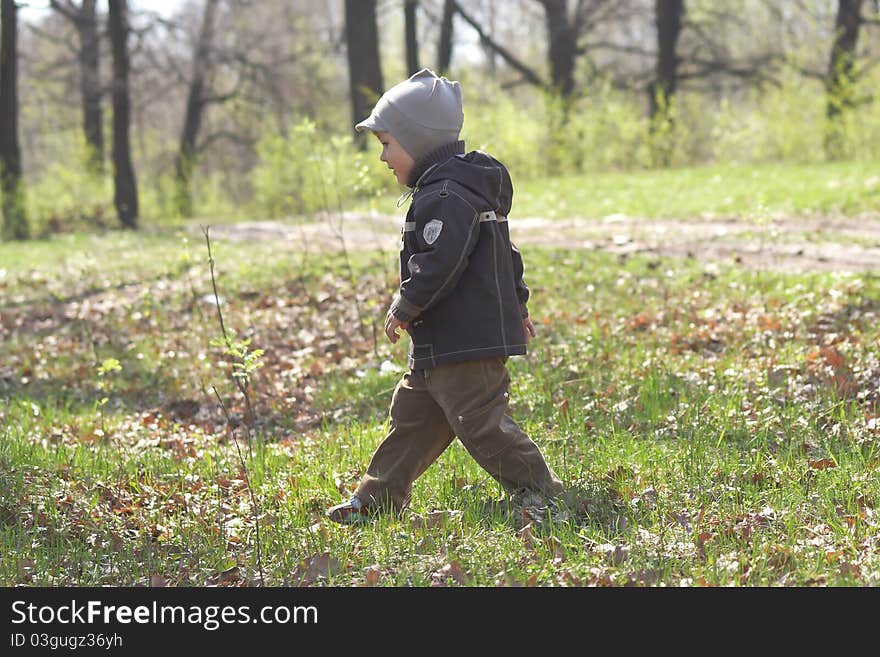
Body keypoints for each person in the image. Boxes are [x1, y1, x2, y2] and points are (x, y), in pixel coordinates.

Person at [327, 68, 563, 524]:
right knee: (412, 421)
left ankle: (541, 490)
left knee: (480, 423)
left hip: (465, 341)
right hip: (441, 344)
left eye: (387, 144)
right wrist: (517, 303)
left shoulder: (448, 196)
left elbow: (442, 263)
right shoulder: (454, 191)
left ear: (417, 142)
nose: (383, 157)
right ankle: (376, 499)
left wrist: (406, 304)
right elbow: (503, 255)